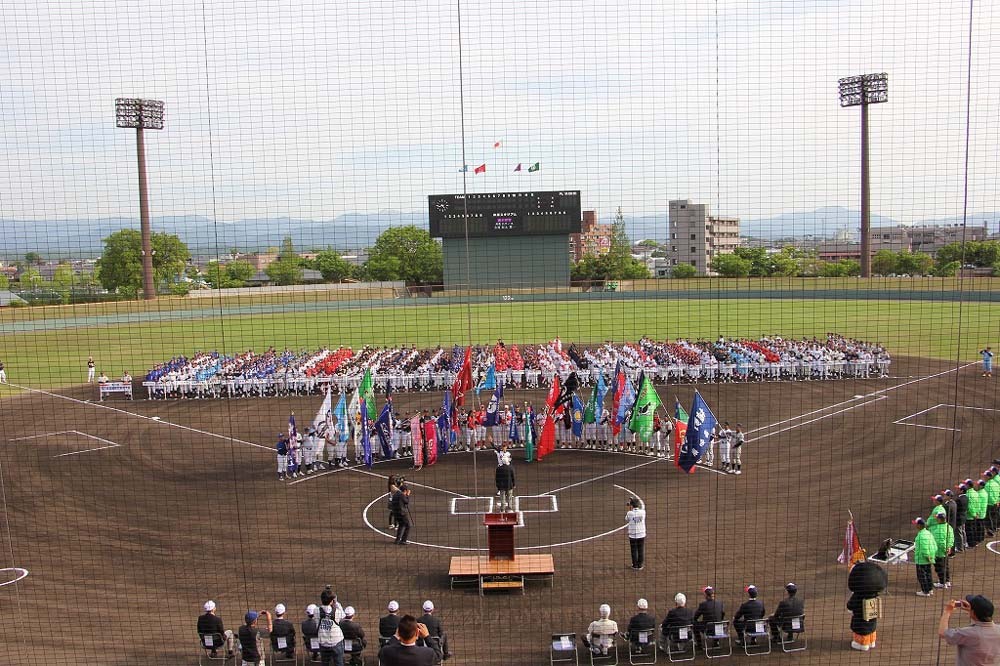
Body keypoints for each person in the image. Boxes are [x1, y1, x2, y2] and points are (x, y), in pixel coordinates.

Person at [939, 595, 1000, 665]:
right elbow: (983, 623)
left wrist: (947, 611)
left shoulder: (968, 633)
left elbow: (943, 632)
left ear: (974, 613)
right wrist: (971, 611)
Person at [930, 512, 956, 590]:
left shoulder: (939, 529)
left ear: (939, 519)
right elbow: (951, 538)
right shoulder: (948, 526)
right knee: (946, 566)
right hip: (946, 551)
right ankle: (947, 581)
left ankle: (942, 583)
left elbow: (940, 541)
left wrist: (945, 548)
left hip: (940, 551)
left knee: (939, 567)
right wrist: (949, 547)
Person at [914, 517, 939, 596]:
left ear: (919, 525)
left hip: (922, 560)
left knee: (922, 576)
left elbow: (924, 548)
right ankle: (930, 589)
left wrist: (927, 556)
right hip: (929, 558)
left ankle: (925, 591)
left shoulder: (921, 535)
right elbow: (934, 545)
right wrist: (932, 556)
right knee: (928, 574)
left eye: (916, 524)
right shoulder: (928, 533)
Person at [317, 600, 346, 666]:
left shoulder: (316, 611)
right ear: (331, 601)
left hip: (323, 642)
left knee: (325, 663)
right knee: (339, 663)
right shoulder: (337, 612)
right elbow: (343, 616)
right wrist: (336, 603)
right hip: (336, 641)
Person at [625, 497, 646, 570]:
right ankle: (640, 565)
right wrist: (632, 502)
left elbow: (626, 519)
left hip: (633, 535)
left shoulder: (629, 513)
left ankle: (635, 565)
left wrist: (629, 507)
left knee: (634, 550)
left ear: (631, 505)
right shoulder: (643, 512)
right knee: (641, 549)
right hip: (642, 534)